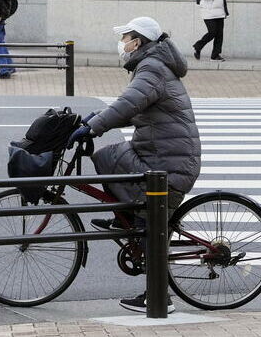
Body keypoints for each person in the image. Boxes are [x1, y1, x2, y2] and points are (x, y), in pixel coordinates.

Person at [66, 16, 201, 314]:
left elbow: (129, 103)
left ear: (138, 42)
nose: (122, 43)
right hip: (162, 152)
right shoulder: (152, 65)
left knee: (149, 217)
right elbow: (135, 107)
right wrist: (95, 119)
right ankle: (128, 216)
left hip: (169, 160)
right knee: (108, 155)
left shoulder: (152, 67)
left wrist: (93, 128)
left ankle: (159, 297)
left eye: (126, 37)